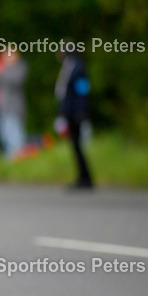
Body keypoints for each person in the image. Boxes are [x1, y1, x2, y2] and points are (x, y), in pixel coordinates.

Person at [55, 43, 93, 189]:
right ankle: (82, 176)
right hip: (69, 112)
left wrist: (81, 112)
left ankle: (85, 178)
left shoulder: (77, 67)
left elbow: (82, 91)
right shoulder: (69, 66)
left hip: (75, 113)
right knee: (75, 146)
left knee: (78, 146)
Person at [0, 47, 28, 159]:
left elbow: (16, 82)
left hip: (14, 106)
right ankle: (10, 156)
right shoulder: (3, 68)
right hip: (2, 106)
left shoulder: (20, 67)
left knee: (15, 132)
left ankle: (19, 155)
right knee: (5, 132)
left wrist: (1, 72)